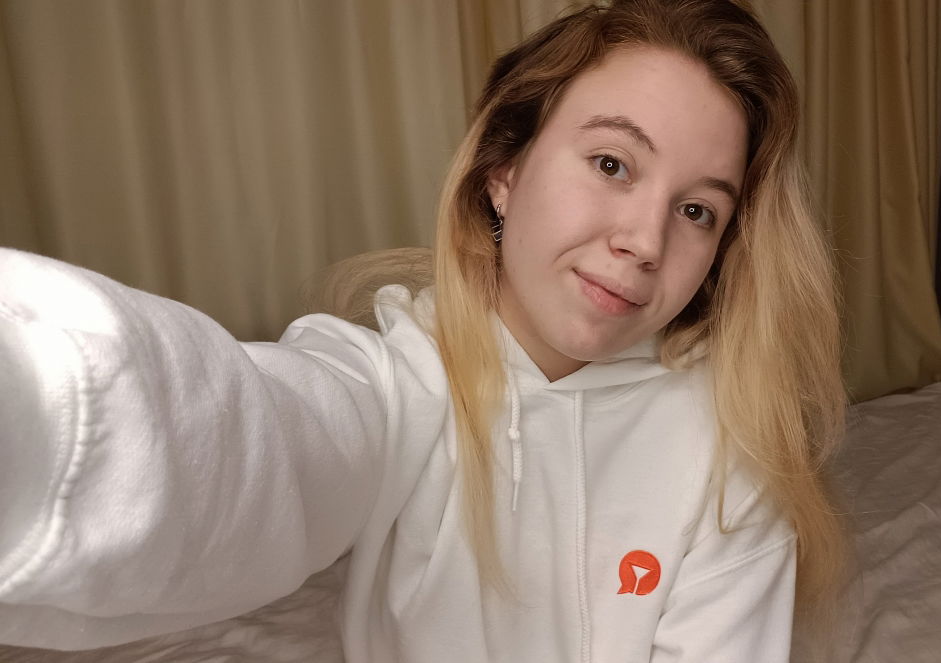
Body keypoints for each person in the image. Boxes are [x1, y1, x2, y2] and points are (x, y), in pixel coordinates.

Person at [0, 0, 848, 660]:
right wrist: (34, 406)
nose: (645, 239)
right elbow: (238, 443)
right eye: (611, 163)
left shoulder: (734, 451)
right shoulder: (395, 378)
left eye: (697, 211)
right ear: (503, 170)